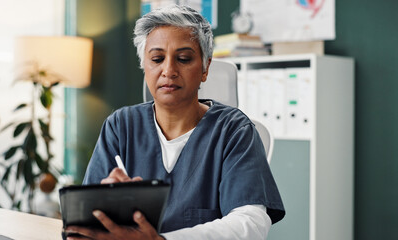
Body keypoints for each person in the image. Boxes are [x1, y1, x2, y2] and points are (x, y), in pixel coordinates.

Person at [65, 4, 285, 240]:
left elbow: (250, 223)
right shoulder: (120, 126)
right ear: (144, 66)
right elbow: (82, 227)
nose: (168, 70)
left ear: (205, 68)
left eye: (183, 58)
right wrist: (104, 204)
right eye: (157, 58)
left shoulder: (233, 130)